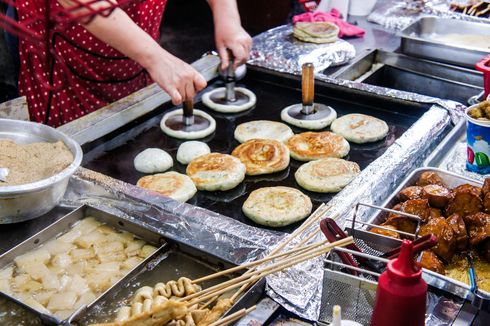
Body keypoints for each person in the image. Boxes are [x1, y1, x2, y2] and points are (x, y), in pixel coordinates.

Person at [14, 0, 252, 127]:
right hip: (68, 49)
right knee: (73, 155)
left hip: (138, 47)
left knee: (133, 134)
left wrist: (226, 14)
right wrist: (155, 58)